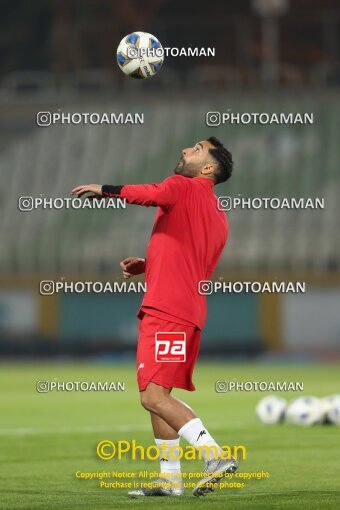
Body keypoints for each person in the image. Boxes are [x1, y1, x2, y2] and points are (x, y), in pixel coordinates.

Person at [71, 137, 237, 497]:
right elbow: (196, 263)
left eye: (196, 149)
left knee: (151, 397)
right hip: (187, 310)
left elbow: (152, 193)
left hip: (166, 311)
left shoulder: (182, 187)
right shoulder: (218, 214)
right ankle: (169, 477)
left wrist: (107, 189)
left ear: (208, 168)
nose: (185, 151)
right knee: (159, 393)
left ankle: (215, 457)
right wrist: (149, 265)